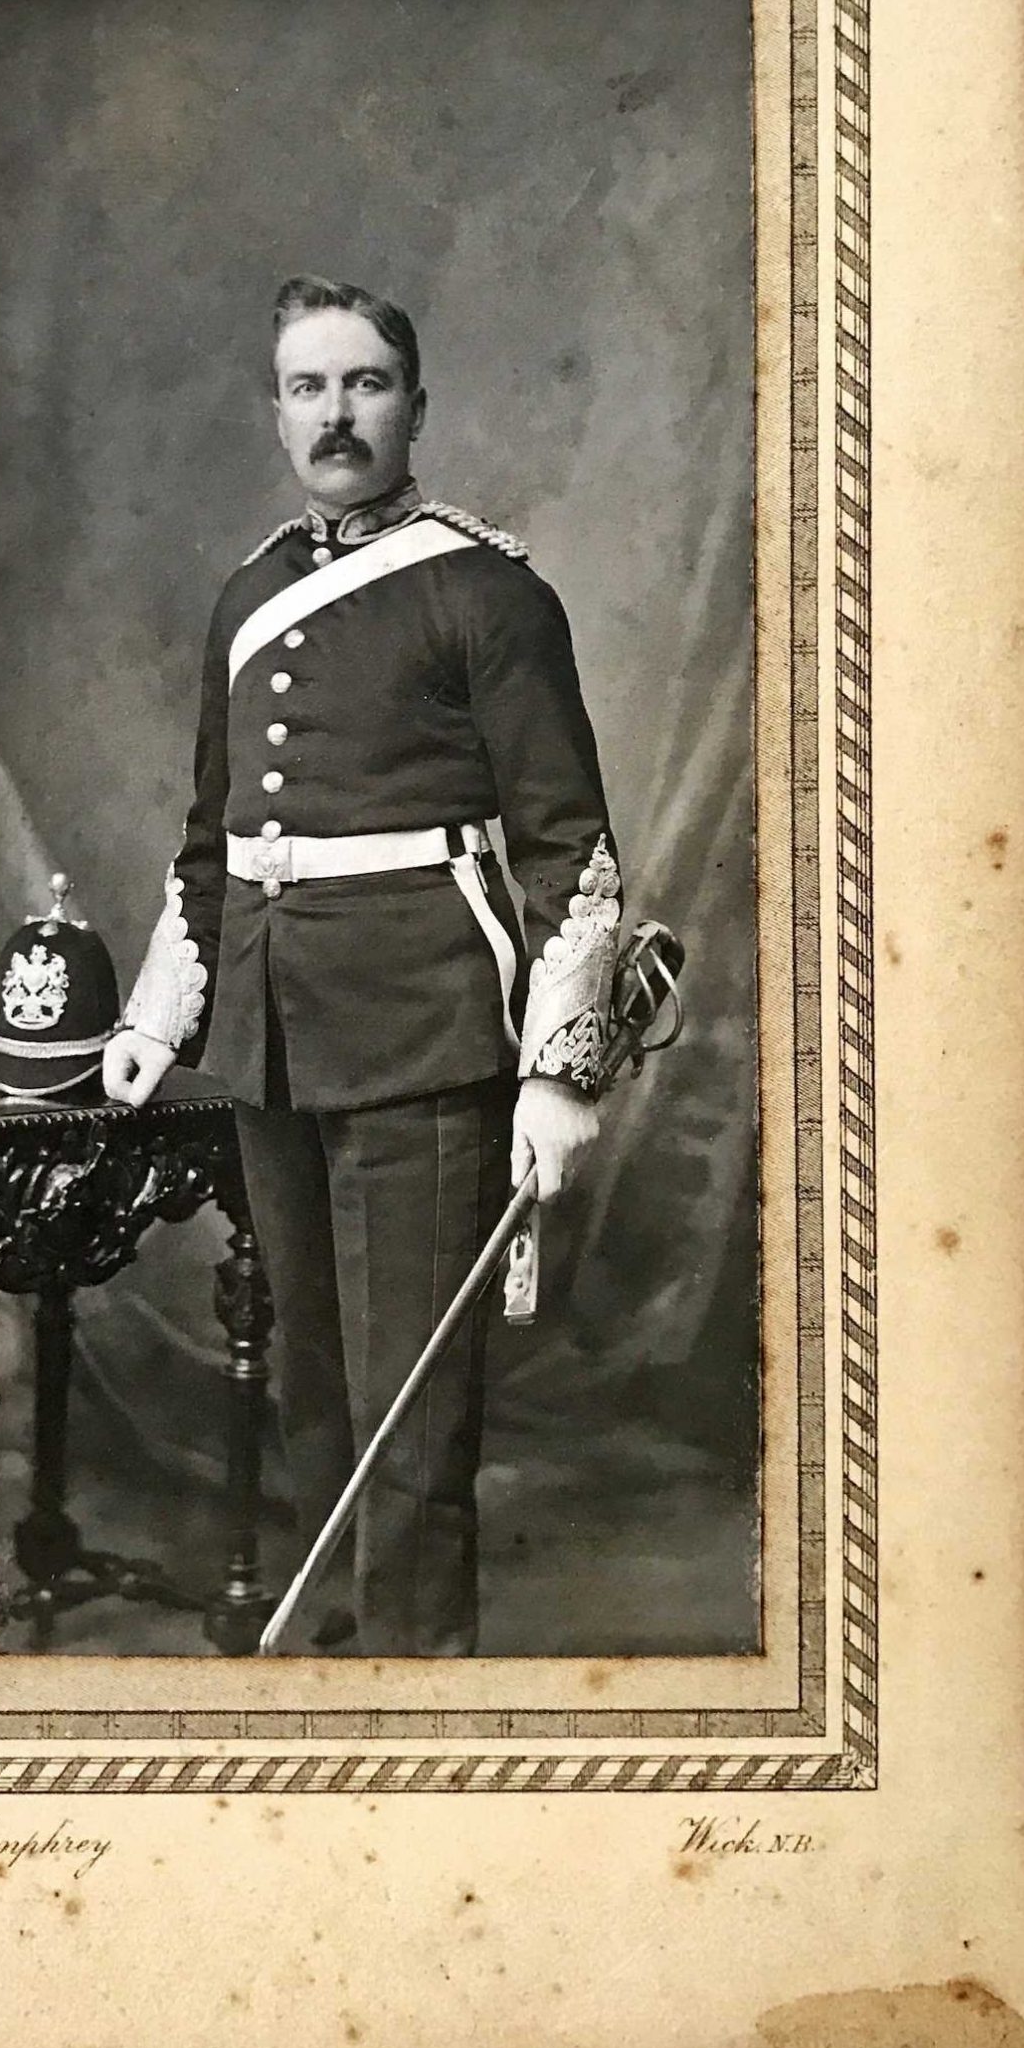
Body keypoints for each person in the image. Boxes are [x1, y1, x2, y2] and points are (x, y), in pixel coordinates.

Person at [105, 275, 623, 1656]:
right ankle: (335, 1662)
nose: (335, 415)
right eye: (308, 388)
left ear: (414, 406)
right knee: (317, 1383)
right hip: (271, 1032)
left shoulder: (487, 593)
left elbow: (569, 847)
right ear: (276, 413)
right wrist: (162, 1012)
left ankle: (420, 1678)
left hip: (424, 1033)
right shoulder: (247, 594)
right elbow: (212, 836)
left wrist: (560, 1071)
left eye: (364, 384)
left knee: (412, 1404)